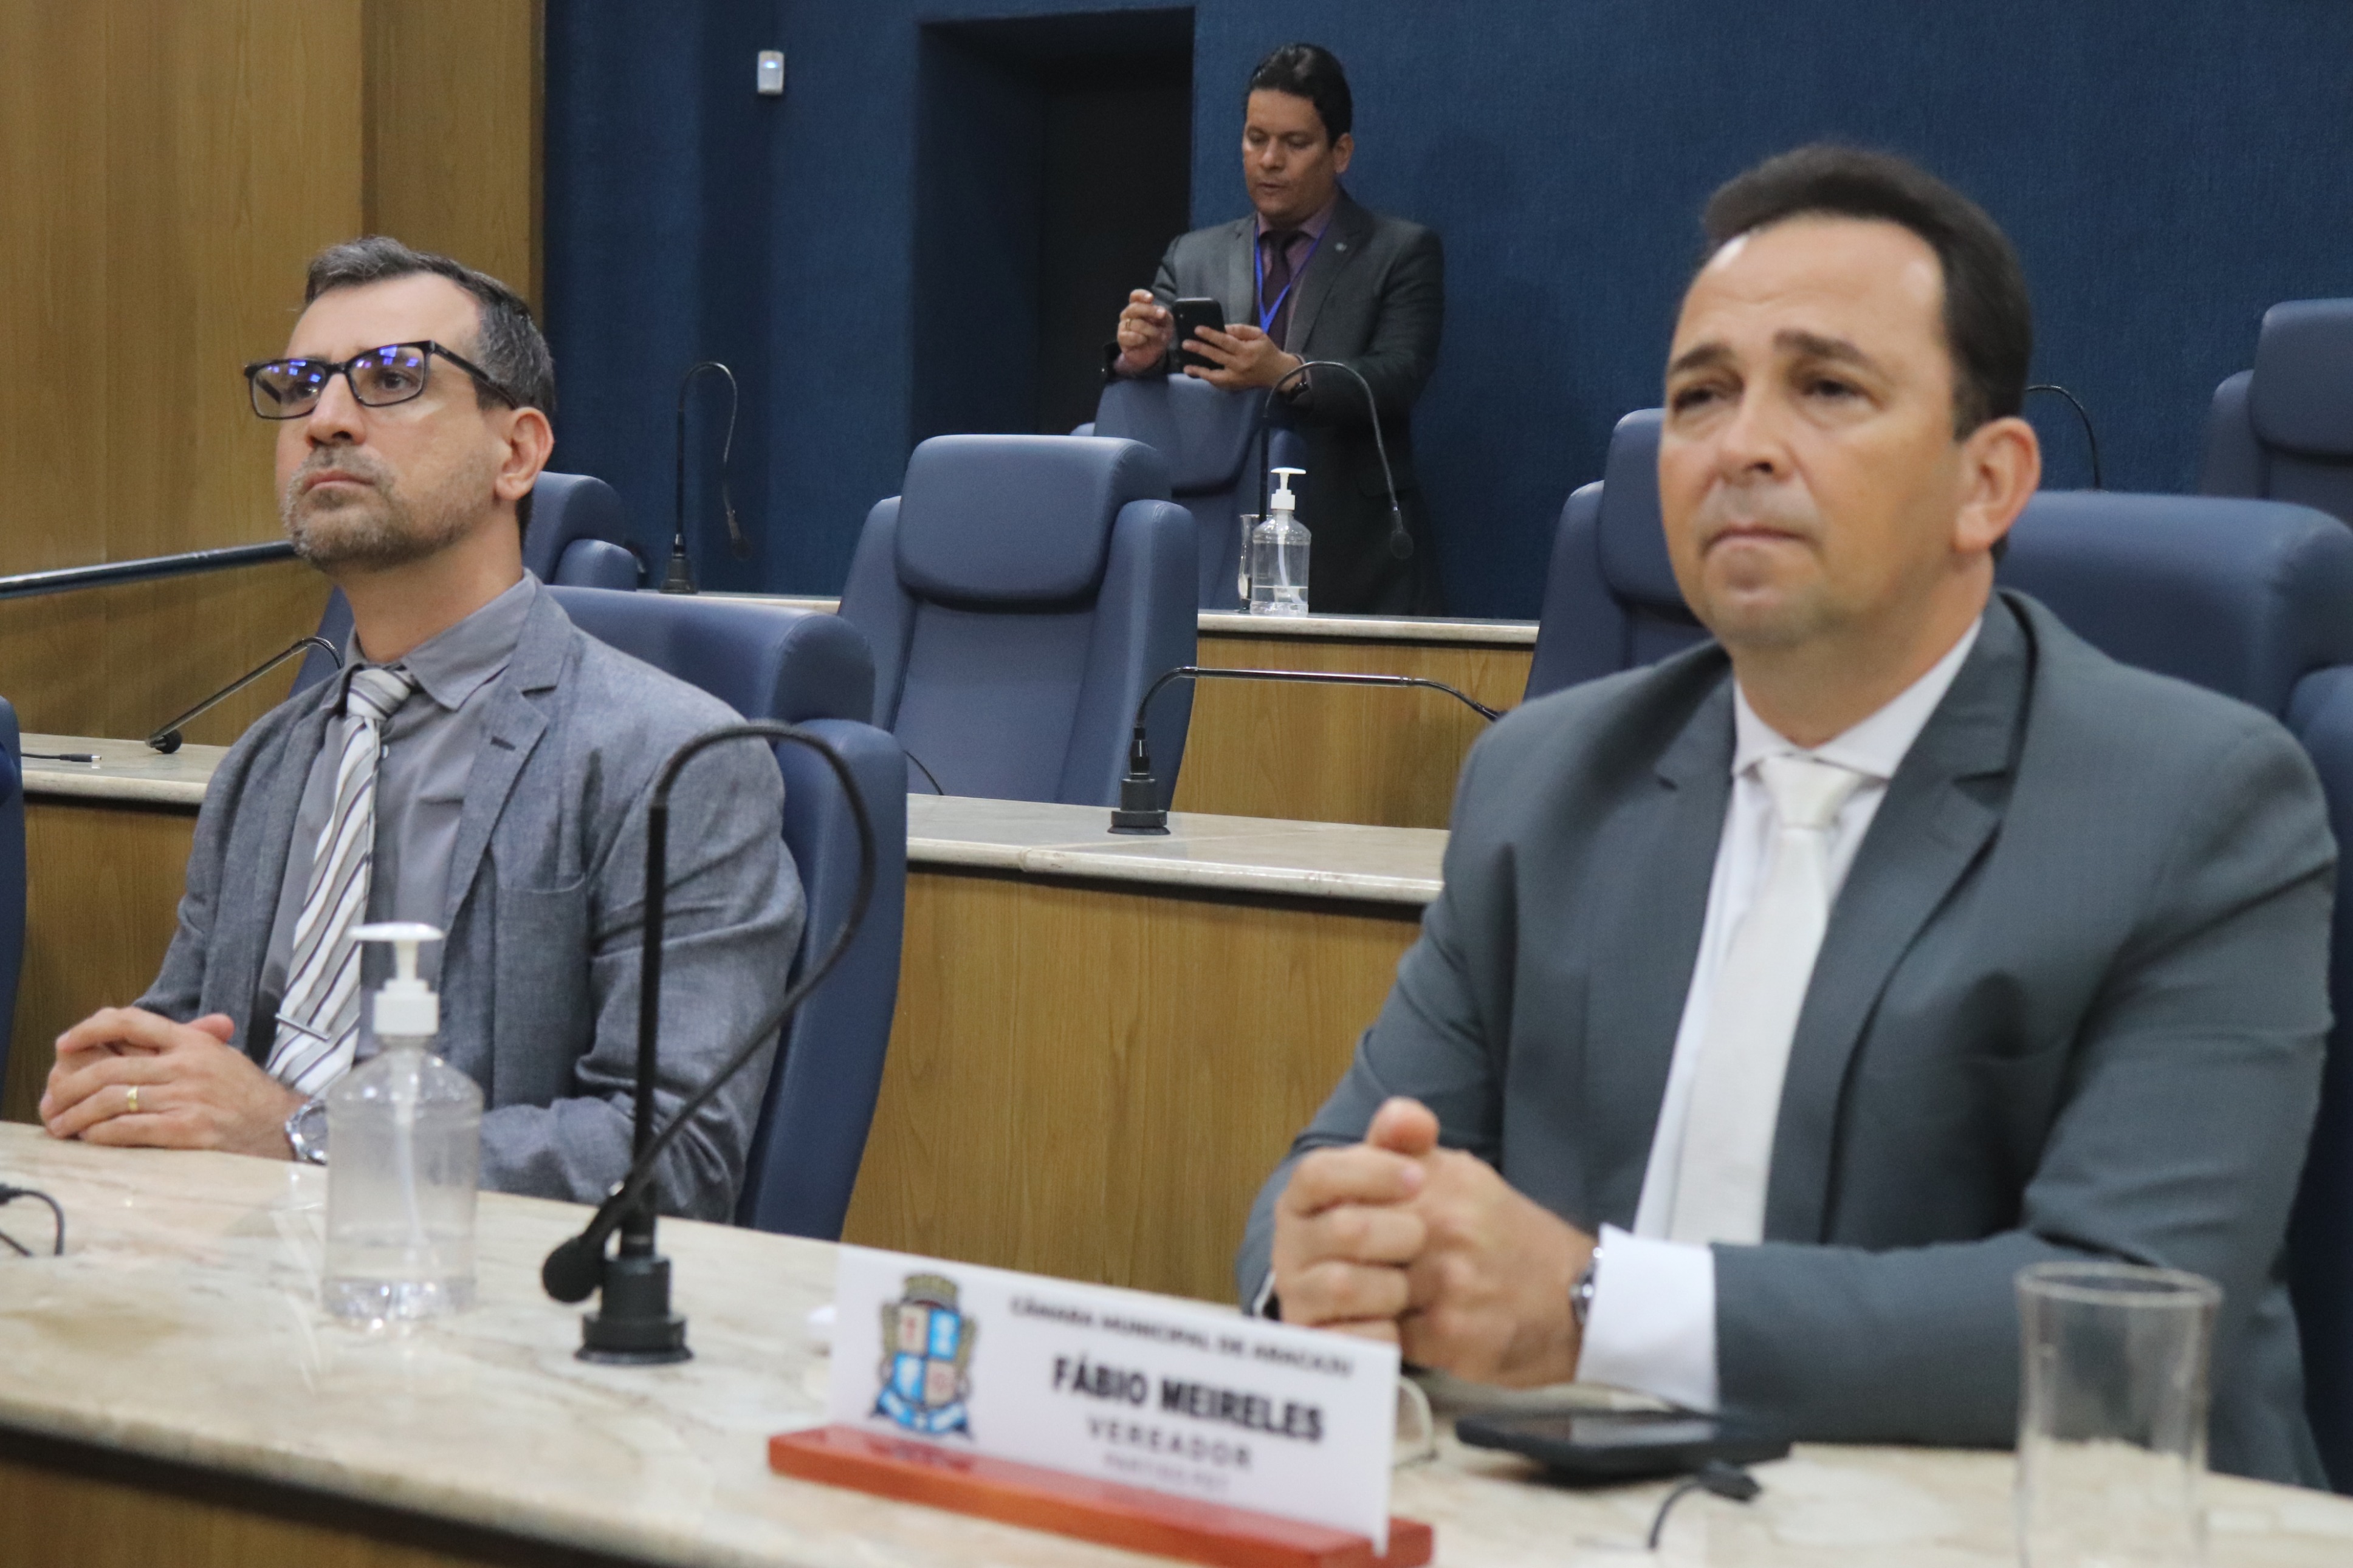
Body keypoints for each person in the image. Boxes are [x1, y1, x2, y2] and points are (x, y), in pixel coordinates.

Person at [1240, 146, 2336, 1484]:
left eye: (1826, 388)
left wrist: (1595, 1306)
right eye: (1699, 396)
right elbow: (1336, 1170)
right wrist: (1325, 1268)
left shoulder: (2197, 804)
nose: (1741, 446)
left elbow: (2130, 1307)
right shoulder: (1543, 782)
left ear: (1988, 483)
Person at [37, 238, 802, 1222]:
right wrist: (123, 1083)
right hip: (220, 1254)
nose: (326, 419)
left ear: (516, 453)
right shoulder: (268, 760)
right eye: (299, 386)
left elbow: (673, 1155)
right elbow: (194, 1046)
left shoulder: (670, 760)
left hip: (475, 1284)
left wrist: (305, 1136)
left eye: (391, 377)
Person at [1108, 43, 1444, 614]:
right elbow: (1148, 375)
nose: (1269, 160)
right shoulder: (1192, 255)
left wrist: (1286, 373)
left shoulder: (1399, 251)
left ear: (1340, 152)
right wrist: (1138, 356)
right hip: (1213, 550)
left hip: (1352, 559)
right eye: (1256, 138)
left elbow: (1399, 375)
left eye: (1295, 143)